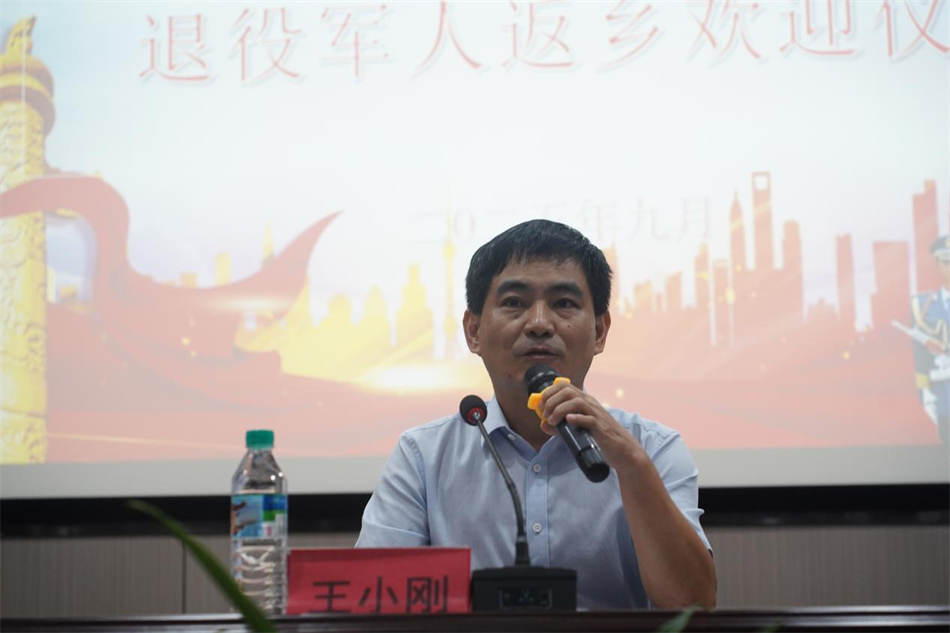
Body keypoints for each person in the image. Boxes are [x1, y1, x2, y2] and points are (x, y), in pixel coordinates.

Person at [356, 220, 716, 610]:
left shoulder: (651, 449)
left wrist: (631, 466)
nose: (540, 323)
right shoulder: (423, 456)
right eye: (514, 302)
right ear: (474, 331)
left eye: (564, 304)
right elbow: (372, 600)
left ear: (599, 331)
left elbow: (693, 603)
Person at [911, 235, 950, 444]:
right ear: (938, 265)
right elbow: (920, 356)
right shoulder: (924, 307)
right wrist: (925, 392)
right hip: (944, 396)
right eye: (946, 262)